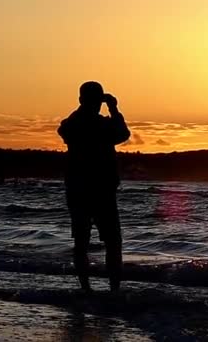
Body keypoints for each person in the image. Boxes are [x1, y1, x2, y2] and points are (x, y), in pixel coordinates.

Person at [58, 81, 130, 292]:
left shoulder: (73, 123)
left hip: (83, 188)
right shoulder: (98, 125)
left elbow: (65, 128)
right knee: (110, 241)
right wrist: (114, 108)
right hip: (97, 190)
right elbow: (123, 134)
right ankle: (111, 289)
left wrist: (102, 107)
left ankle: (88, 288)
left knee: (84, 240)